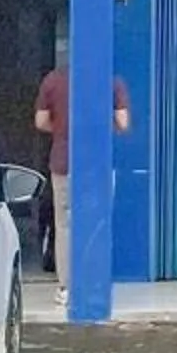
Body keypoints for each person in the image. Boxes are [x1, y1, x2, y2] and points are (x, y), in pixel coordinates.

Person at [33, 47, 130, 299]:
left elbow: (40, 121)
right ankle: (94, 284)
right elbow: (122, 123)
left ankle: (65, 287)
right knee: (97, 223)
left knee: (64, 224)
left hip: (63, 162)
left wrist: (63, 129)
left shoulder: (53, 80)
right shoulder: (111, 81)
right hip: (97, 164)